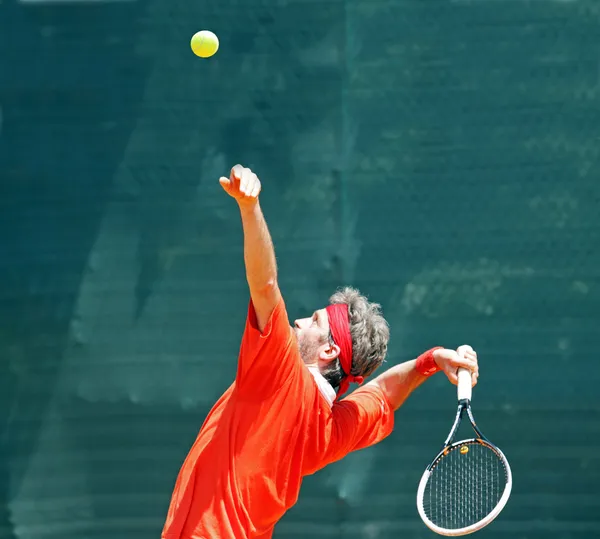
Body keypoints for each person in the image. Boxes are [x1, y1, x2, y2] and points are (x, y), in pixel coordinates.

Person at [161, 165, 479, 539]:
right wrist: (431, 360)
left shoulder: (280, 376)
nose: (297, 322)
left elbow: (265, 284)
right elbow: (384, 396)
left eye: (312, 320)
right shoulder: (330, 431)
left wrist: (250, 208)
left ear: (328, 350)